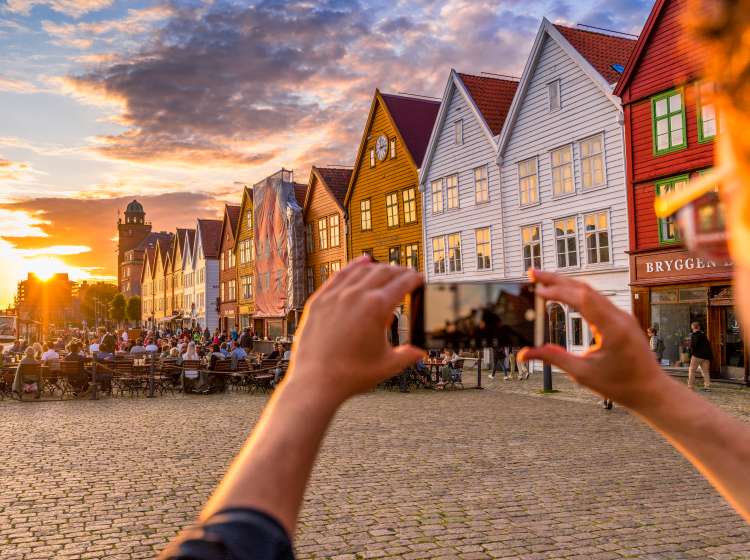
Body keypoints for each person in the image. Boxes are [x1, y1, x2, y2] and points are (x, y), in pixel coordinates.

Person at [688, 322, 713, 391]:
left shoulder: (694, 335)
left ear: (692, 327)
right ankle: (707, 387)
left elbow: (693, 346)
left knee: (692, 370)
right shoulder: (703, 335)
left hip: (697, 355)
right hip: (706, 356)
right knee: (706, 372)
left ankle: (690, 386)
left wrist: (691, 353)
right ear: (699, 327)